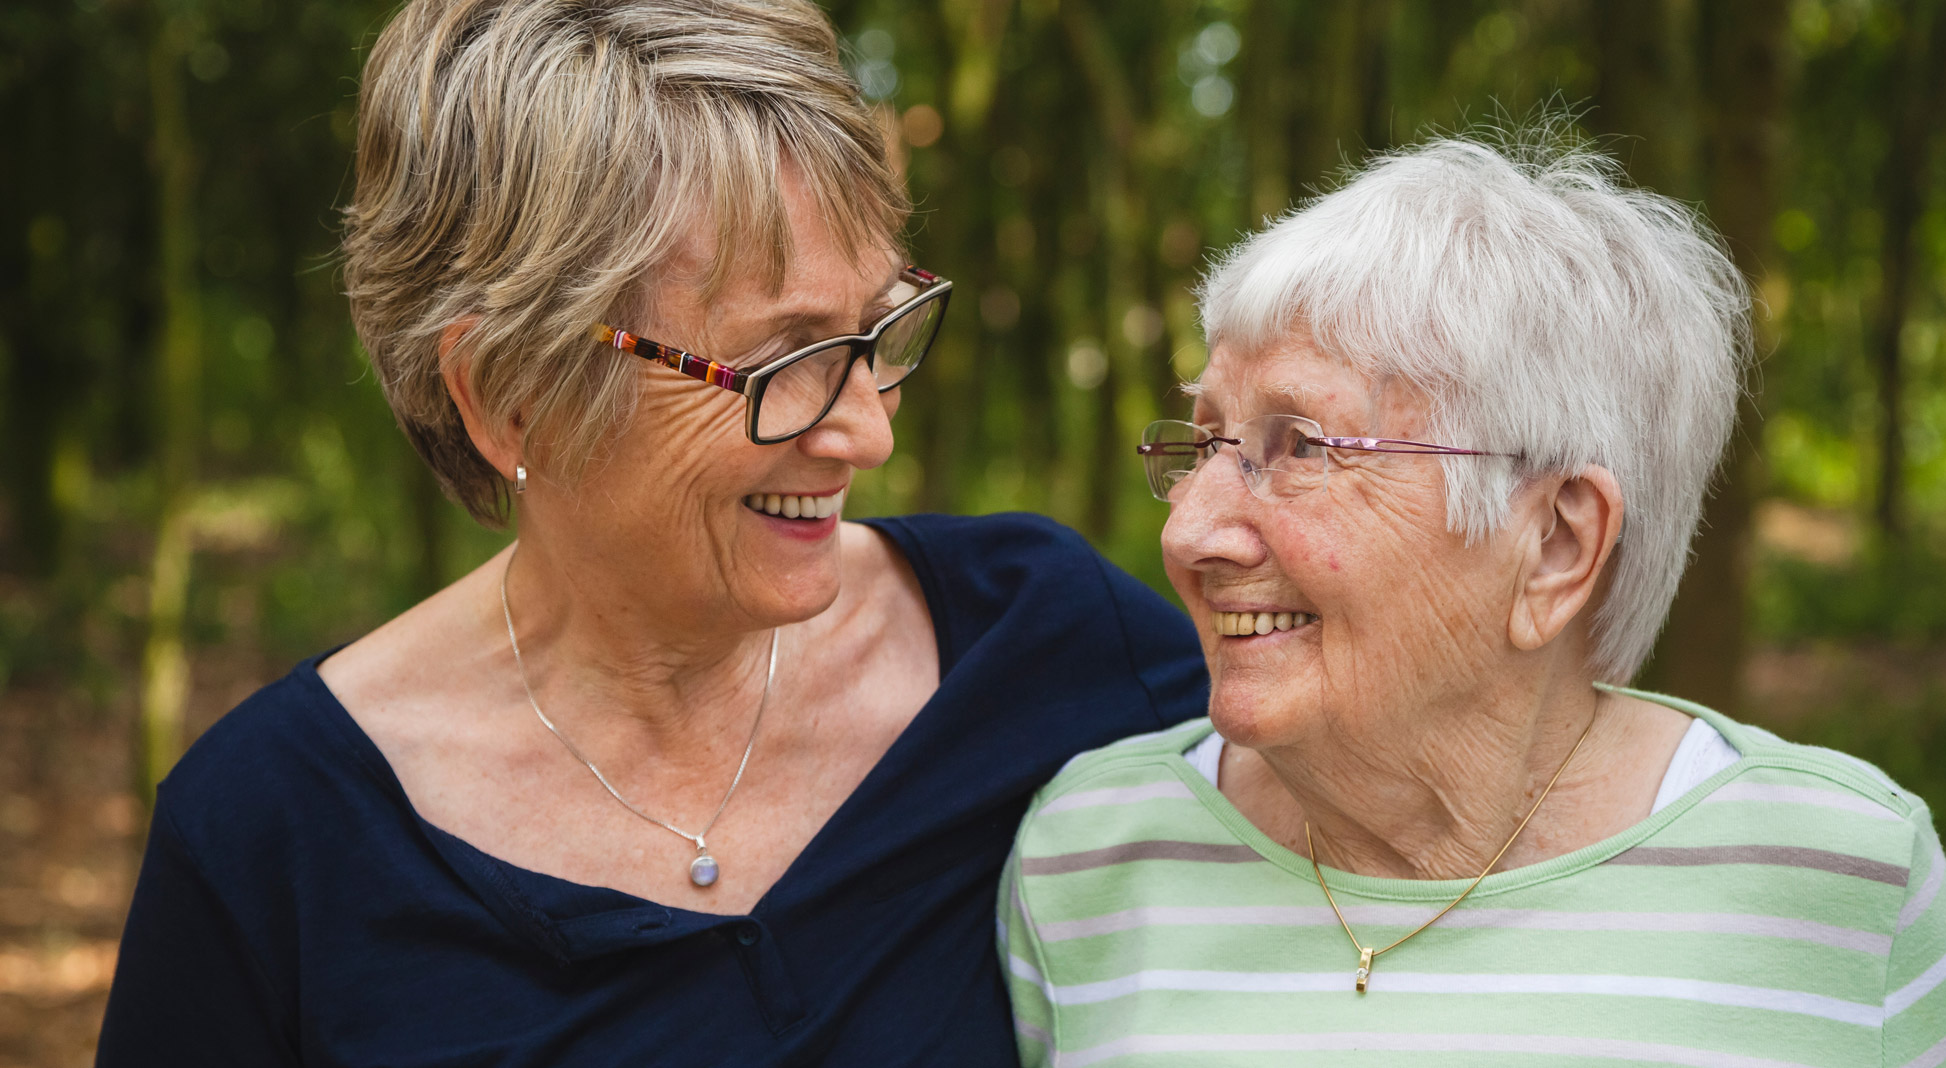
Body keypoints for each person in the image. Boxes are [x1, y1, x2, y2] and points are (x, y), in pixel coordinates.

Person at [94, 1, 1205, 1064]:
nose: (868, 434)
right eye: (783, 360)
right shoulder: (266, 839)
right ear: (506, 394)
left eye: (878, 331)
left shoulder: (1057, 647)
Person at [999, 133, 1946, 1067]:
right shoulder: (1088, 852)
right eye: (1207, 439)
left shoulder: (1845, 886)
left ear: (1554, 544)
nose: (1189, 532)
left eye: (1300, 447)